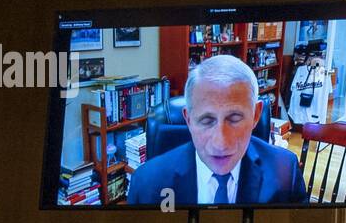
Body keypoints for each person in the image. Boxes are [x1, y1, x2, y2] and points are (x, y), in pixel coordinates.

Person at [127, 55, 307, 205]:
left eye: (235, 118)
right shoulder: (146, 184)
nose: (221, 143)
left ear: (255, 115)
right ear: (188, 120)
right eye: (206, 120)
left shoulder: (286, 171)